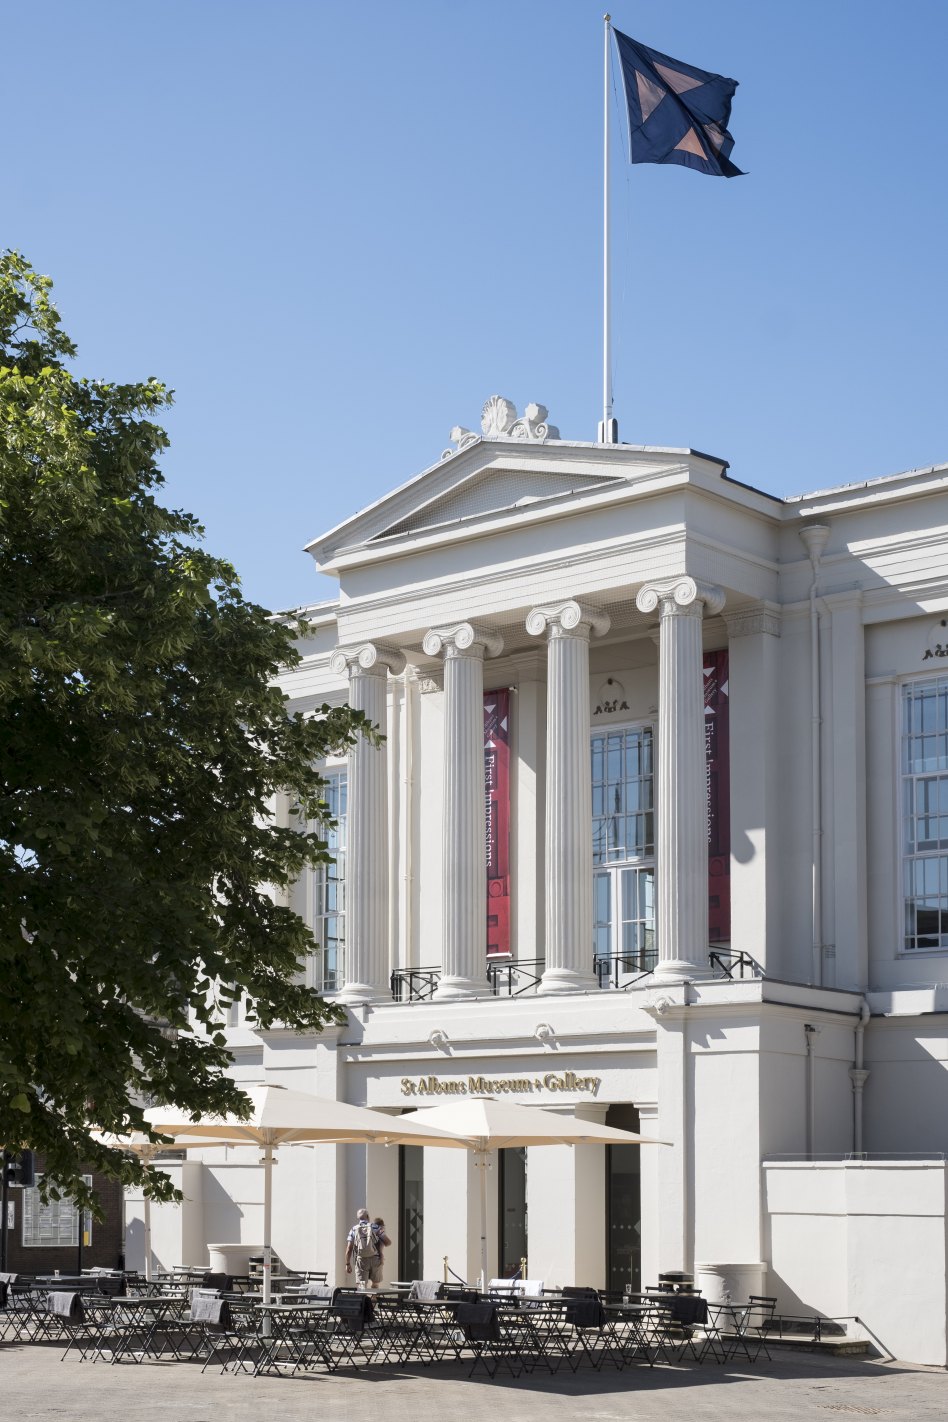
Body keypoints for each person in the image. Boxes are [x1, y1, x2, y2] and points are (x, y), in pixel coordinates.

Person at [345, 1207, 391, 1289]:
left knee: (362, 1285)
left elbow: (349, 1249)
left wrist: (347, 1264)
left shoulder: (353, 1229)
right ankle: (373, 1300)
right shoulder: (375, 1227)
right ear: (368, 1216)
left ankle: (363, 1301)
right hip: (375, 1259)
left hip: (361, 1260)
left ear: (358, 1218)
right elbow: (387, 1242)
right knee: (375, 1284)